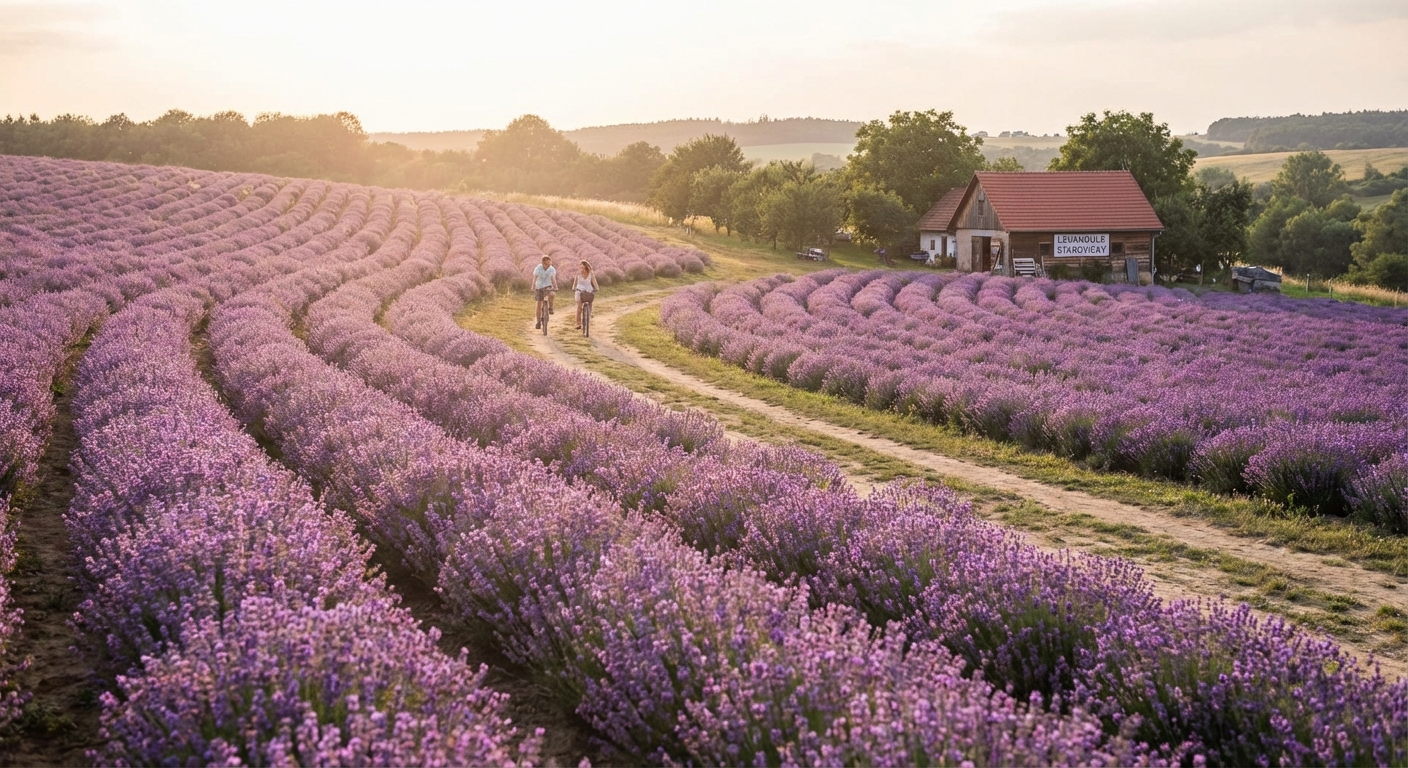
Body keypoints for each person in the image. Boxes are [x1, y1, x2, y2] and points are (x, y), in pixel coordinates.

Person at [574, 259, 599, 329]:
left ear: (586, 267)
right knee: (579, 306)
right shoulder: (578, 273)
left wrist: (597, 288)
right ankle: (578, 323)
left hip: (588, 288)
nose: (581, 269)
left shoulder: (591, 273)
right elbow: (575, 281)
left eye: (582, 267)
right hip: (580, 289)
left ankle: (589, 313)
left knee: (590, 300)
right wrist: (574, 288)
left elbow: (594, 281)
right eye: (580, 267)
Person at [532, 256, 556, 329]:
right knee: (539, 304)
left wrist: (555, 286)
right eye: (545, 262)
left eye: (548, 262)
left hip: (548, 285)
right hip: (539, 286)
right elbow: (535, 277)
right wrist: (533, 286)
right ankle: (538, 322)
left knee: (552, 294)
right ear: (542, 262)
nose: (547, 264)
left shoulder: (551, 269)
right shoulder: (538, 267)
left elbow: (553, 278)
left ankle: (550, 307)